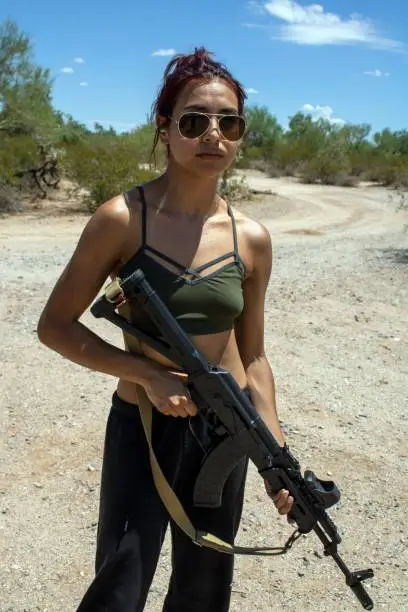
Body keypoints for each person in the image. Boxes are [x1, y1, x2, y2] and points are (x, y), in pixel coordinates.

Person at [37, 46, 294, 612]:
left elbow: (253, 361)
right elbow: (54, 326)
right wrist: (147, 376)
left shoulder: (250, 238)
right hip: (143, 427)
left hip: (226, 429)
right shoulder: (123, 219)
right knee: (120, 585)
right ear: (164, 127)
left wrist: (277, 458)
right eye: (194, 121)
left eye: (229, 122)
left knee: (204, 591)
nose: (213, 135)